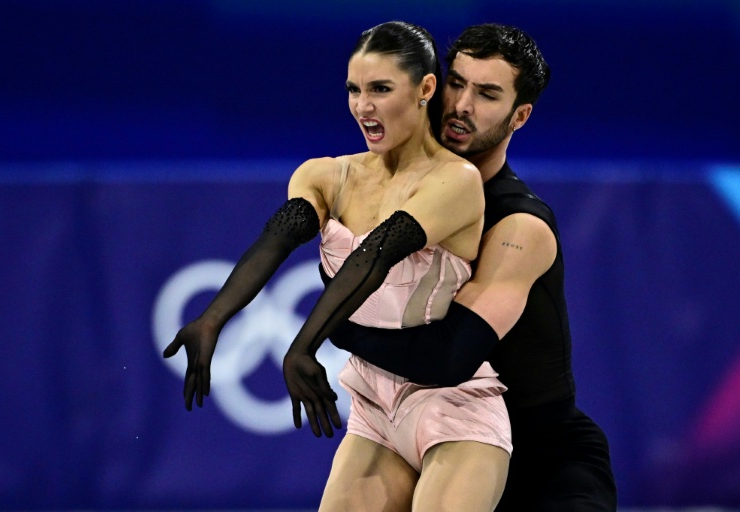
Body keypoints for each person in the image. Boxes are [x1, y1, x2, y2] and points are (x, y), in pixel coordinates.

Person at [163, 21, 512, 511]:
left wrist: (302, 346)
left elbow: (376, 255)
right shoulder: (324, 174)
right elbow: (278, 238)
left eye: (380, 89)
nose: (362, 106)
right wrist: (212, 318)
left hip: (454, 403)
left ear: (425, 89)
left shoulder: (456, 181)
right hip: (373, 406)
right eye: (354, 89)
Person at [324, 23, 618, 511]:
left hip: (542, 455)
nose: (461, 106)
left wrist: (333, 326)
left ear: (519, 116)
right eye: (456, 83)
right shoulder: (390, 189)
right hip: (435, 433)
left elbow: (448, 358)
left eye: (487, 94)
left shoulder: (520, 224)